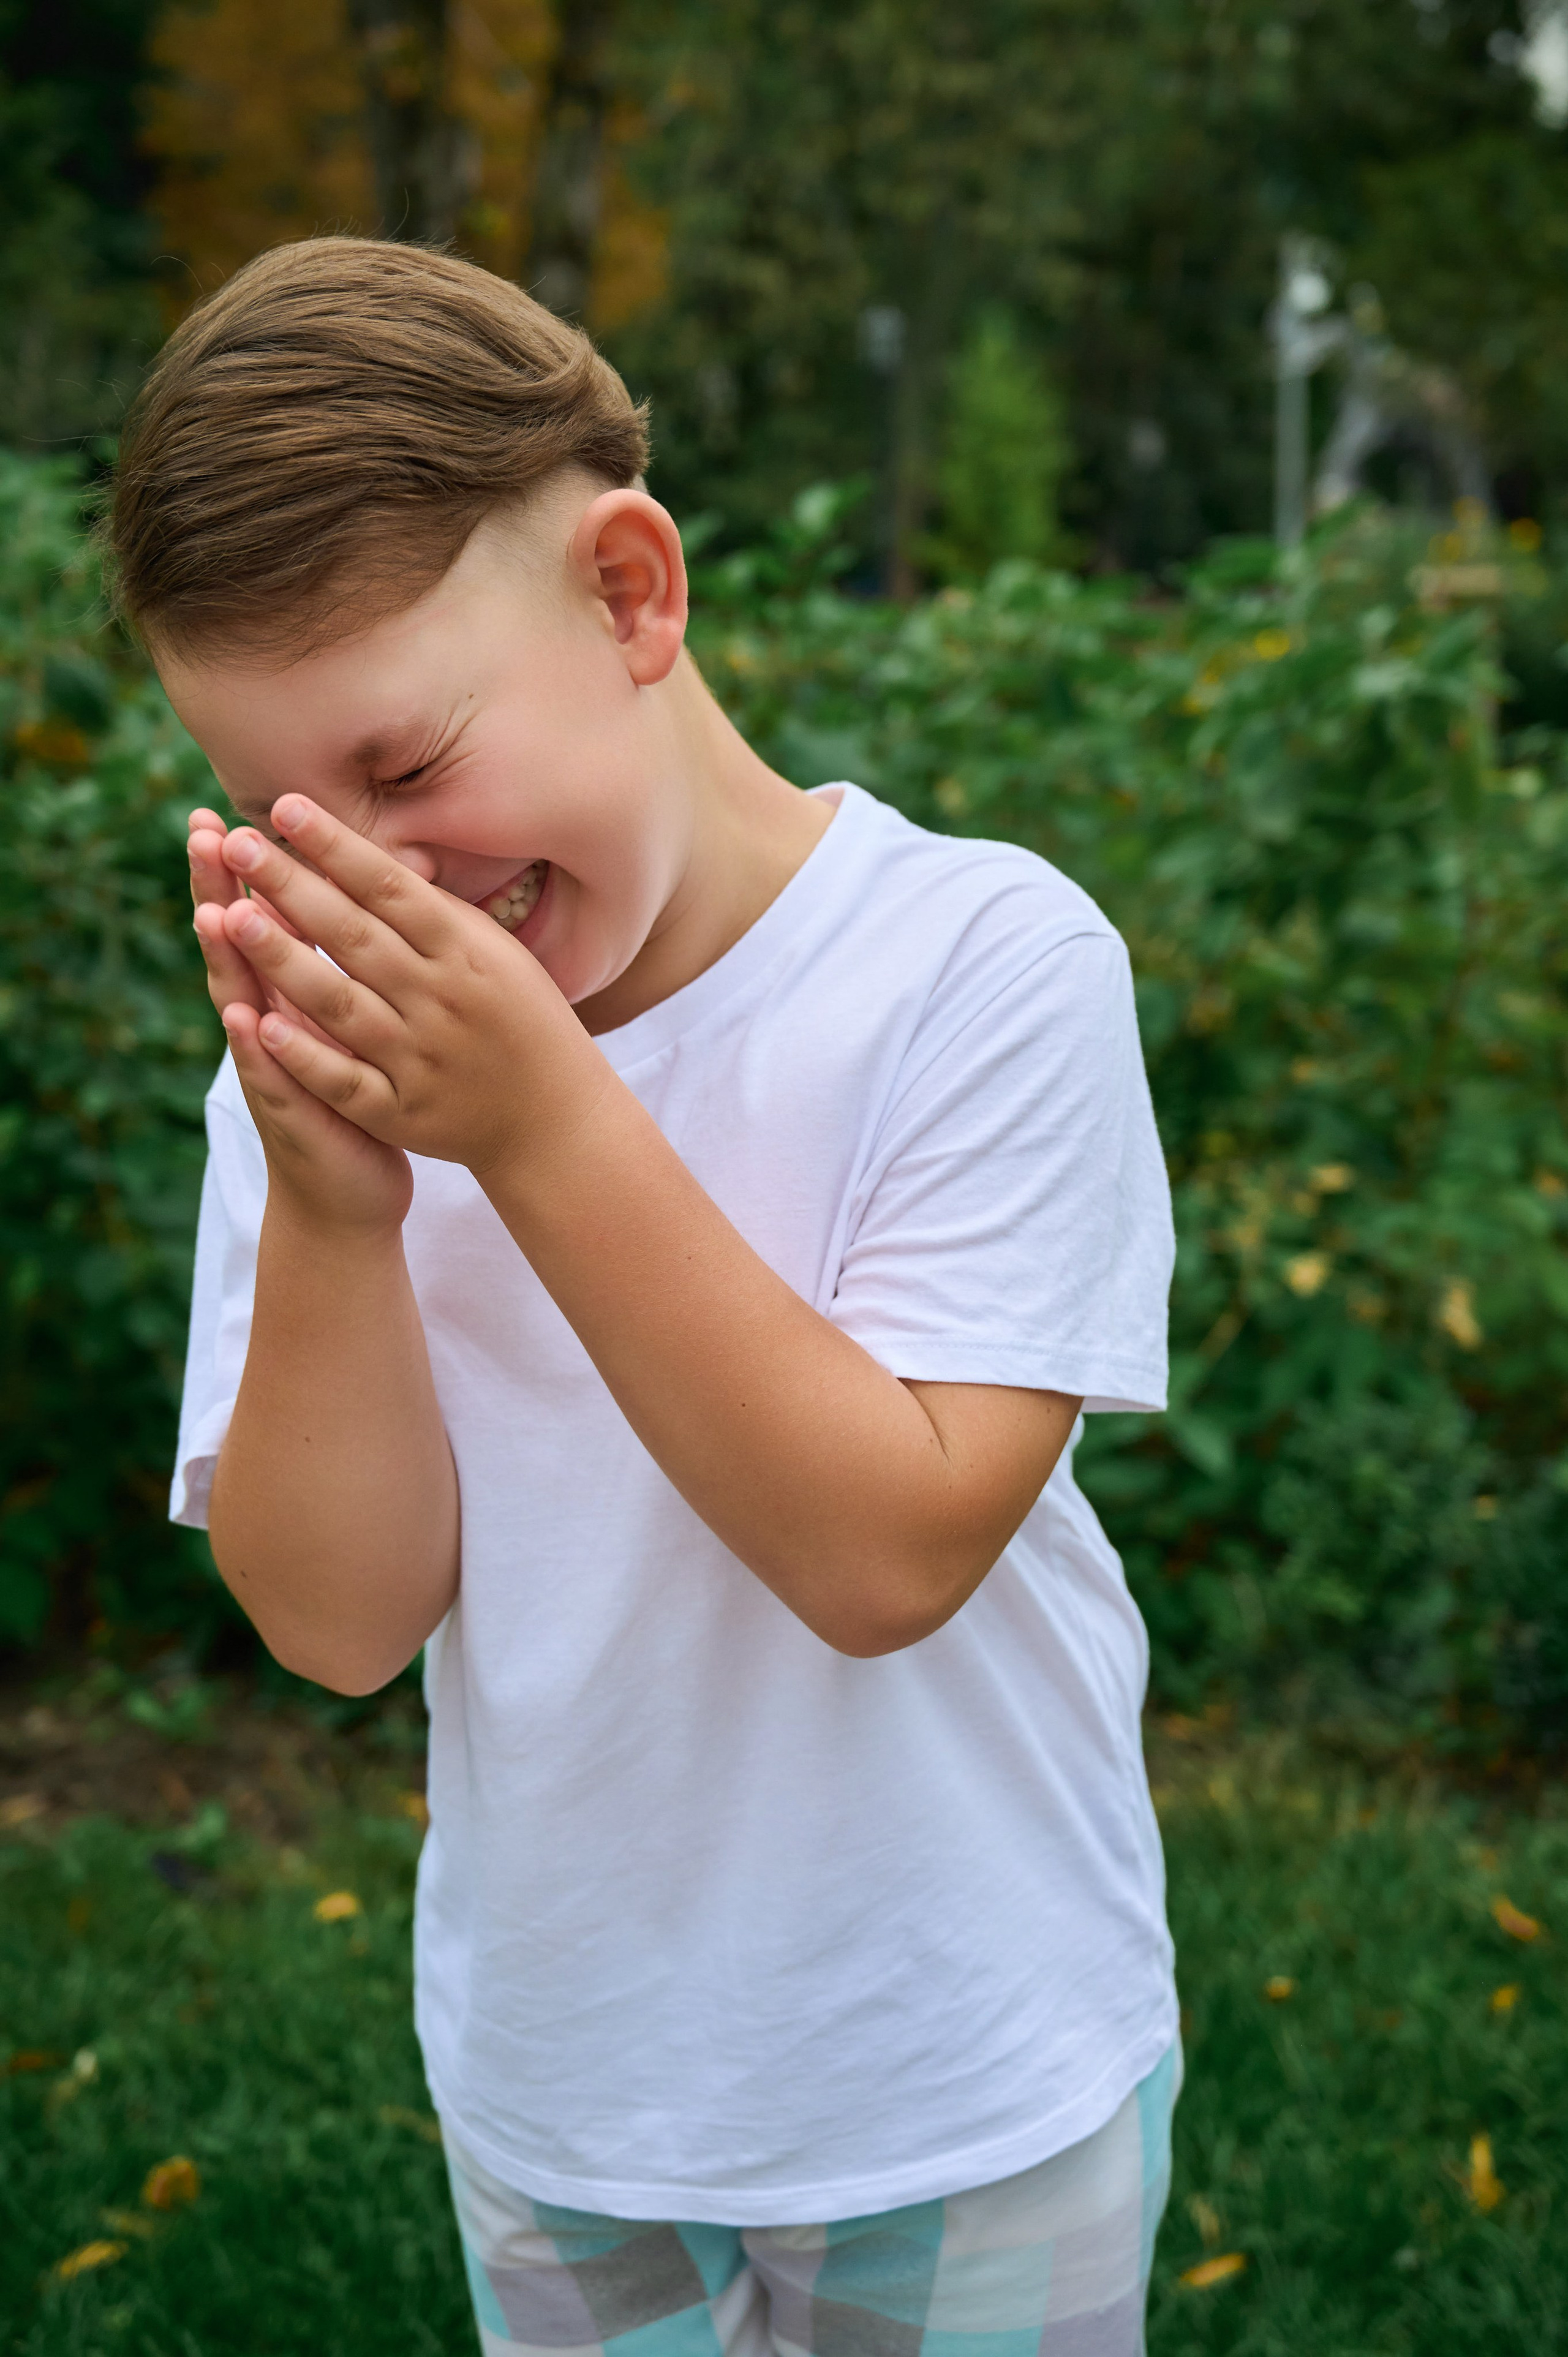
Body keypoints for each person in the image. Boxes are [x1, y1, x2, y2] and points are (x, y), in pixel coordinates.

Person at [115, 236, 1180, 2356]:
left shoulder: (980, 969)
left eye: (407, 772)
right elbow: (335, 1625)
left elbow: (888, 1551)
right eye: (290, 821)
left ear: (630, 595)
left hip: (955, 2073)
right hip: (570, 2088)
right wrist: (335, 1218)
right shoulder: (351, 1068)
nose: (378, 882)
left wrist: (539, 1126)